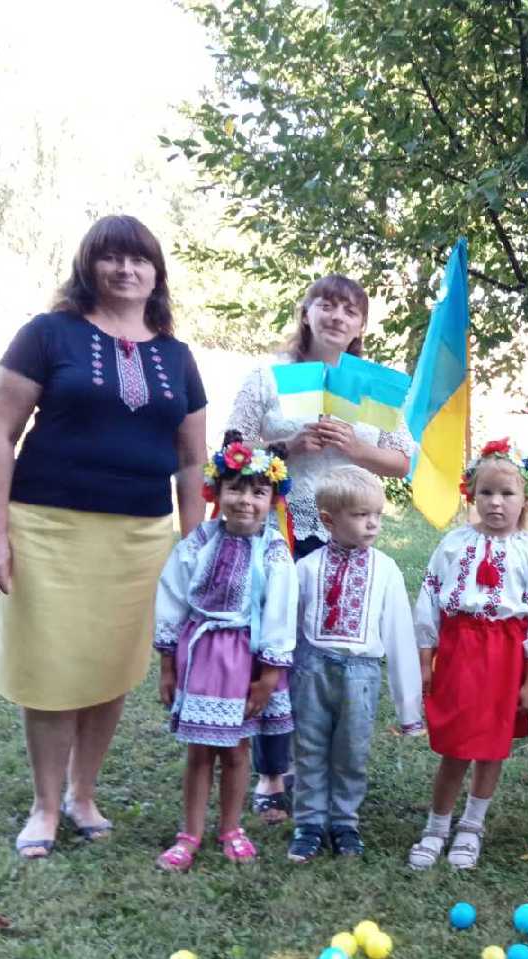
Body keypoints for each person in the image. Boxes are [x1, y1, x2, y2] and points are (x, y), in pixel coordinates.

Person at [0, 214, 207, 859]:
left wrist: (196, 549)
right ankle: (45, 805)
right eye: (111, 258)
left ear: (156, 274)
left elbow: (192, 462)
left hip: (140, 538)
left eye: (139, 259)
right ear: (89, 267)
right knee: (52, 667)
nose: (125, 270)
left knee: (111, 667)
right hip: (47, 529)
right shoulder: (48, 335)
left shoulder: (177, 357)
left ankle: (83, 795)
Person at [227, 274, 416, 825]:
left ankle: (324, 771)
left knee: (331, 656)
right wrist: (287, 446)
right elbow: (232, 449)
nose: (336, 317)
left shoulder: (375, 387)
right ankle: (271, 773)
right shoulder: (269, 377)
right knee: (276, 647)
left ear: (361, 325)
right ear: (306, 312)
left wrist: (356, 447)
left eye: (349, 310)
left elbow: (402, 461)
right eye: (326, 305)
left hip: (348, 536)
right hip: (283, 530)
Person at [152, 434, 299, 871]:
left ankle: (231, 828)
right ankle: (190, 833)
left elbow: (280, 612)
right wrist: (167, 664)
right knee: (199, 751)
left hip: (245, 663)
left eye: (258, 492)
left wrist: (268, 677)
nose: (245, 501)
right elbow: (172, 598)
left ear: (273, 499)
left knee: (236, 750)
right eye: (235, 489)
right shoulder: (198, 542)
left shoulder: (273, 552)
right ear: (216, 491)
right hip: (200, 658)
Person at [409, 439, 528, 870]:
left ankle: (472, 826)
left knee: (491, 746)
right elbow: (429, 601)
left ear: (525, 498)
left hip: (505, 656)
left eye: (507, 493)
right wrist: (425, 661)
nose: (496, 502)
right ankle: (437, 826)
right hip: (460, 650)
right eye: (486, 492)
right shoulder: (454, 544)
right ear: (471, 494)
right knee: (456, 746)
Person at [287, 466, 422, 863]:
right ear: (329, 520)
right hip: (312, 671)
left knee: (352, 751)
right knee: (308, 748)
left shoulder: (386, 570)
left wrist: (408, 707)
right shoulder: (306, 568)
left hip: (361, 674)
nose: (373, 523)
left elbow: (399, 634)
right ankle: (309, 824)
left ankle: (345, 822)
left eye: (377, 514)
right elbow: (289, 629)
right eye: (362, 515)